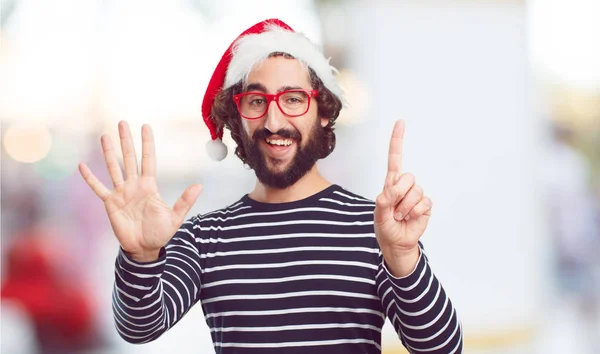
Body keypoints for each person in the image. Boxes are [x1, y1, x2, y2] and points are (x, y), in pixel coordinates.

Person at [79, 19, 463, 354]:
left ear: (324, 111)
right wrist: (142, 257)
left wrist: (403, 259)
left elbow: (442, 349)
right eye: (256, 100)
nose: (274, 120)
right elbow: (138, 328)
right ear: (236, 118)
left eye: (293, 99)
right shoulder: (204, 238)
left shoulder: (377, 228)